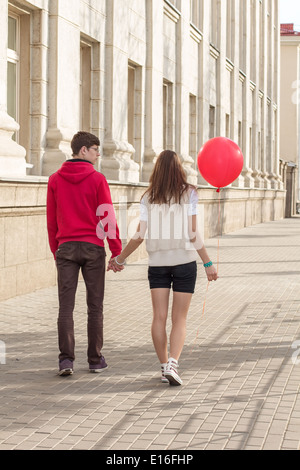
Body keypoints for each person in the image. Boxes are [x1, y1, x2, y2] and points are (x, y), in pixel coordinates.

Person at [109, 150, 218, 386]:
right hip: (185, 263)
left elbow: (139, 235)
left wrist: (120, 259)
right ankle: (172, 363)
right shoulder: (189, 193)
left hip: (157, 264)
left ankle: (163, 366)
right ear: (179, 169)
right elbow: (192, 232)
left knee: (158, 316)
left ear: (157, 170)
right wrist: (207, 262)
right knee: (179, 319)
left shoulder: (149, 197)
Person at [47, 131, 123, 376]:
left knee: (65, 308)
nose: (98, 154)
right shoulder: (98, 179)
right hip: (93, 248)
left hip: (66, 247)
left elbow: (51, 221)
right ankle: (94, 360)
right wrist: (116, 250)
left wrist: (55, 249)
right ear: (83, 151)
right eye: (95, 149)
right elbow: (107, 215)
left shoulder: (55, 179)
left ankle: (66, 361)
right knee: (95, 307)